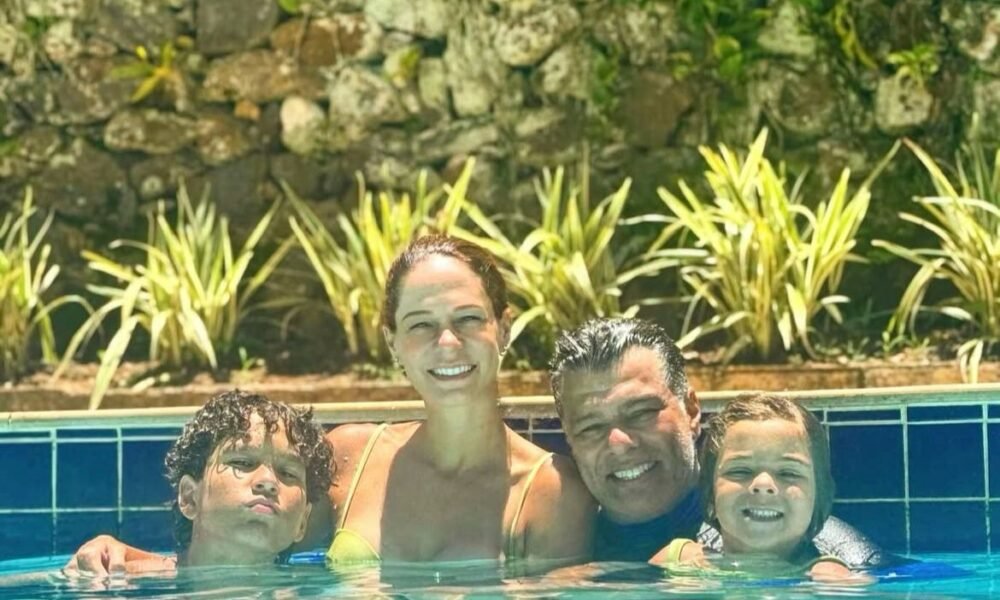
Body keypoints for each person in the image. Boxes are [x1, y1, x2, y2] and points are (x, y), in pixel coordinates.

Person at [68, 235, 595, 572]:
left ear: (503, 328)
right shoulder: (353, 456)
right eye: (421, 325)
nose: (447, 343)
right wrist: (127, 559)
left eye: (469, 319)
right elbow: (243, 562)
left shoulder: (549, 491)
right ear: (393, 343)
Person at [549, 317, 897, 567]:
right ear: (569, 439)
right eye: (590, 427)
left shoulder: (827, 557)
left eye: (641, 413)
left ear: (691, 410)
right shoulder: (552, 545)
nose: (619, 442)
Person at [64, 390, 333, 574]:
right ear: (189, 498)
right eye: (242, 462)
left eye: (288, 473)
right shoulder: (116, 579)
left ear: (302, 522)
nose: (268, 481)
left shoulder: (326, 588)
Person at [649, 393, 863, 583]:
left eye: (788, 473)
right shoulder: (675, 561)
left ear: (820, 498)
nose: (763, 485)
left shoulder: (829, 580)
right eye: (740, 471)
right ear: (710, 493)